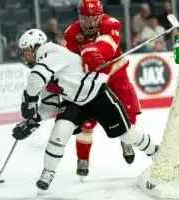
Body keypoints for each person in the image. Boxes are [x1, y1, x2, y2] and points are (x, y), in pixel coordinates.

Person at [12, 28, 159, 191]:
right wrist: (33, 119)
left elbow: (37, 76)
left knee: (127, 134)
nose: (25, 56)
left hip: (97, 93)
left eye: (26, 52)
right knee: (59, 133)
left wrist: (29, 100)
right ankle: (48, 172)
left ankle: (155, 152)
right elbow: (50, 104)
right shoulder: (40, 73)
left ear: (36, 46)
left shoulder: (50, 50)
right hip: (73, 102)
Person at [63, 0, 141, 177]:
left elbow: (108, 47)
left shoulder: (111, 23)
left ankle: (126, 139)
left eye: (94, 18)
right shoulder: (71, 33)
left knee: (127, 108)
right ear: (79, 17)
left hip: (115, 74)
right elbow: (67, 60)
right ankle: (83, 158)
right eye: (85, 19)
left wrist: (91, 50)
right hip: (91, 79)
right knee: (87, 121)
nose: (90, 24)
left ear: (101, 16)